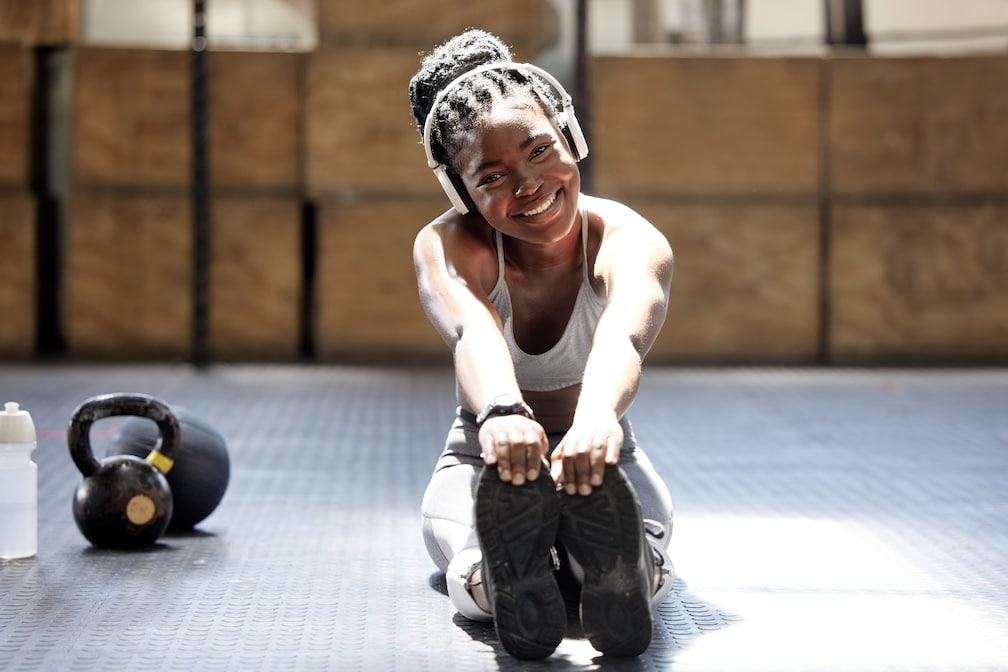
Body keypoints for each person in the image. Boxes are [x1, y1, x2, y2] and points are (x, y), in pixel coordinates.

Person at [409, 29, 676, 660]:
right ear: (461, 192)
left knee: (638, 565)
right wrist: (502, 411)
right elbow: (470, 327)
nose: (527, 184)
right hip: (483, 460)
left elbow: (624, 335)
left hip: (604, 454)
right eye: (493, 175)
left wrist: (595, 422)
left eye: (539, 151)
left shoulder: (629, 238)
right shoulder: (447, 246)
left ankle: (619, 566)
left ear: (570, 137)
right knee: (471, 564)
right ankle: (500, 577)